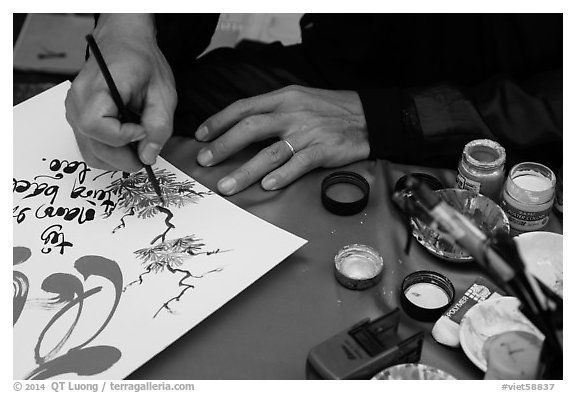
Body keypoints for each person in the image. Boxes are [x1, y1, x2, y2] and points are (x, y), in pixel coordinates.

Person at [65, 14, 562, 196]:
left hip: (507, 110)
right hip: (351, 58)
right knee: (180, 106)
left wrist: (381, 117)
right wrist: (130, 24)